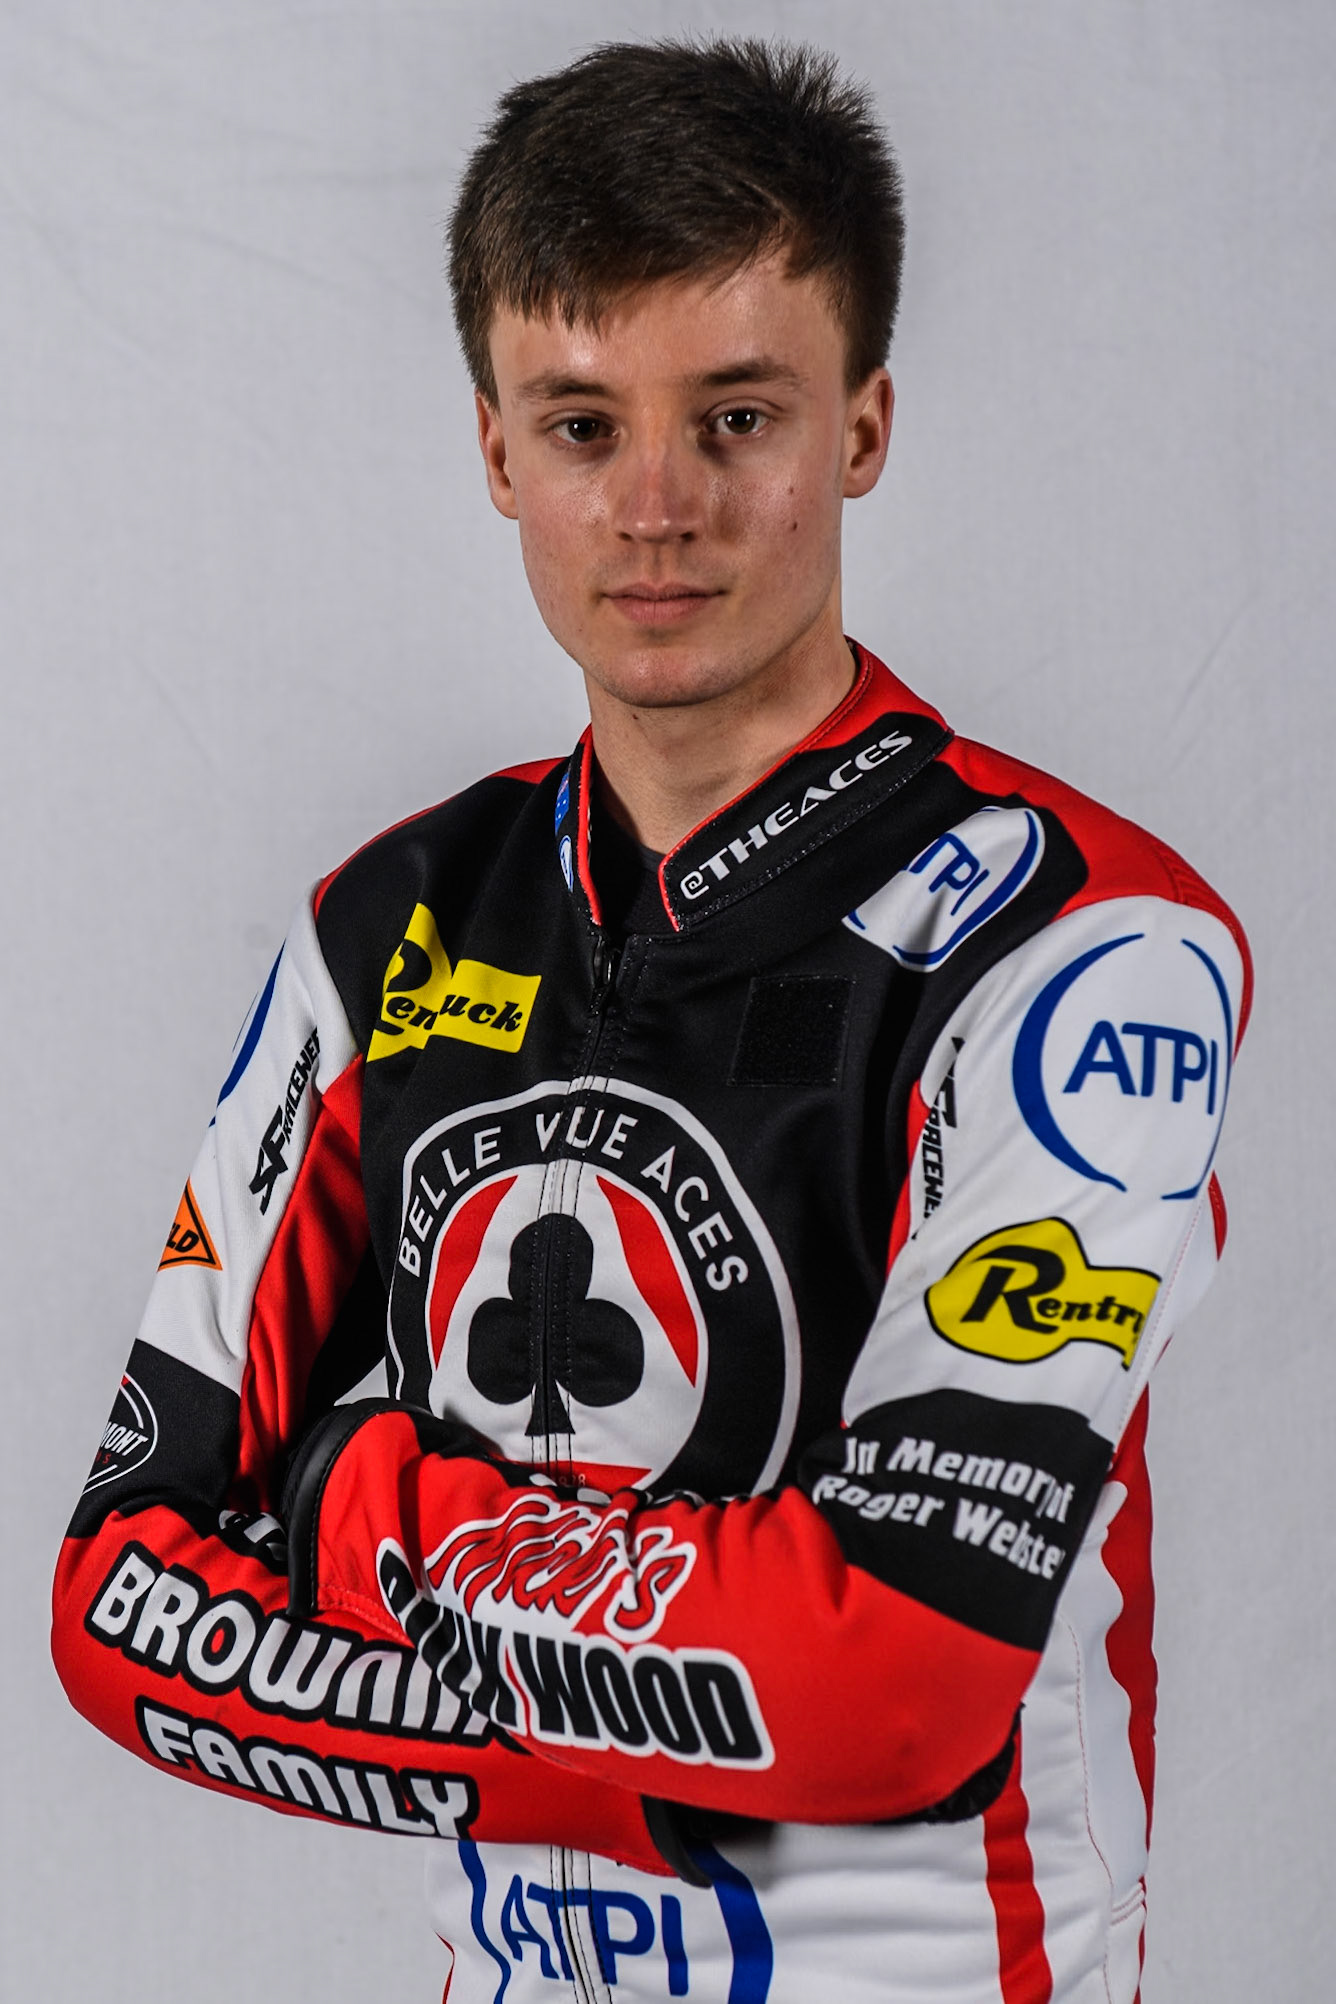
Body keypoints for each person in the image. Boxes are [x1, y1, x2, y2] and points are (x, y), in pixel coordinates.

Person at [51, 37, 1250, 2004]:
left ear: (860, 424)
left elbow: (899, 1687)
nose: (659, 506)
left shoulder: (1084, 947)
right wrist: (648, 1705)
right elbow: (112, 1601)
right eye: (585, 424)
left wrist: (356, 1511)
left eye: (737, 413)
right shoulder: (381, 930)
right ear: (494, 450)